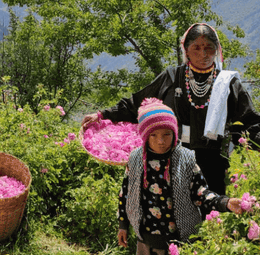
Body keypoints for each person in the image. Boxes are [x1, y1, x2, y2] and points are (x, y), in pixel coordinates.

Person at [81, 23, 260, 194]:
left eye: (209, 47)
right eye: (196, 47)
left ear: (217, 49)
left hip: (212, 164)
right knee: (173, 215)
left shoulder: (228, 83)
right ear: (187, 50)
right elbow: (138, 104)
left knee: (210, 215)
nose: (203, 53)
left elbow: (250, 122)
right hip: (171, 159)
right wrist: (103, 114)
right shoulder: (172, 77)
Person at [118, 98, 242, 255]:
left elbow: (201, 193)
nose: (162, 140)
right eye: (155, 135)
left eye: (167, 134)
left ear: (175, 134)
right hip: (146, 237)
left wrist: (224, 202)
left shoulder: (185, 158)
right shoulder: (135, 159)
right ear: (145, 136)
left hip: (177, 239)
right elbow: (125, 193)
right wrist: (123, 224)